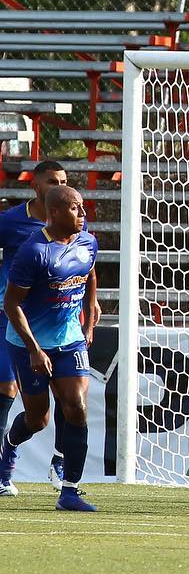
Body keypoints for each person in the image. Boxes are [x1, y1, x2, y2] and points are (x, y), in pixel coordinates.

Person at [0, 185, 100, 511]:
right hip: (29, 344)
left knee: (76, 406)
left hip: (69, 338)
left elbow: (88, 268)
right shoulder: (34, 252)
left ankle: (69, 490)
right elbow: (11, 304)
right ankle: (9, 446)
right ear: (54, 212)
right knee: (37, 418)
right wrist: (33, 349)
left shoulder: (87, 239)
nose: (82, 214)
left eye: (82, 208)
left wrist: (92, 307)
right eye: (75, 209)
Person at [0, 159, 70, 494]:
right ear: (36, 186)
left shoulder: (71, 216)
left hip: (58, 321)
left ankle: (59, 463)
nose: (58, 185)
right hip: (13, 321)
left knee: (70, 397)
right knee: (10, 392)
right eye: (52, 180)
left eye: (63, 179)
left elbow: (87, 262)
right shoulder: (12, 221)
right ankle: (2, 467)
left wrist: (91, 303)